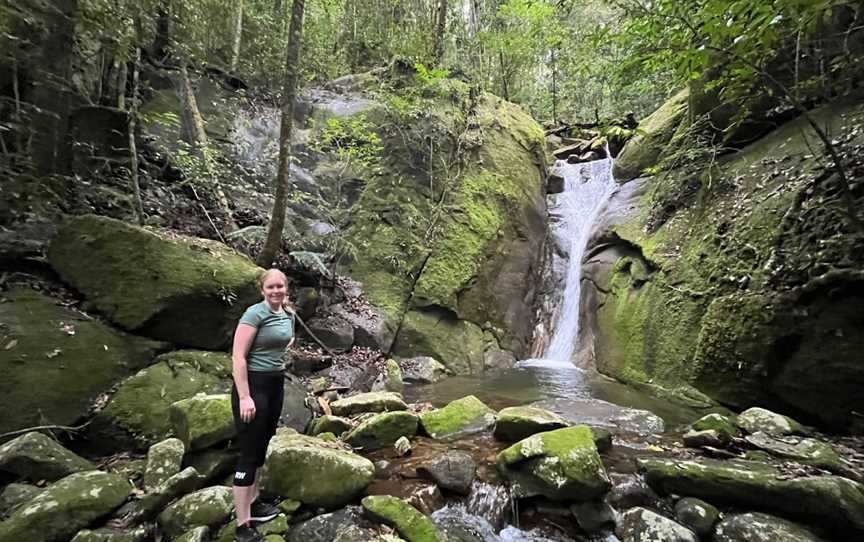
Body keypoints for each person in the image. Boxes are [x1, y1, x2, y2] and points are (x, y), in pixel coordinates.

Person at [231, 268, 295, 542]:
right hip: (254, 386)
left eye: (280, 286)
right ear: (262, 290)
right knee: (249, 451)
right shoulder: (254, 314)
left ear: (286, 289)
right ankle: (242, 525)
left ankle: (255, 501)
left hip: (275, 384)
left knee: (263, 442)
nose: (276, 291)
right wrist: (245, 396)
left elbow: (285, 341)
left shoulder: (286, 313)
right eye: (270, 287)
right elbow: (238, 357)